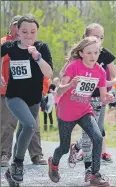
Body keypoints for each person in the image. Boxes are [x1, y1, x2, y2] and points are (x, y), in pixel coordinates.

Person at [48, 36, 113, 187]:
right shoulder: (73, 66)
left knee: (97, 138)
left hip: (84, 111)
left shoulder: (100, 72)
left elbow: (103, 98)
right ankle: (54, 163)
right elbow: (58, 91)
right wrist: (71, 84)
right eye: (89, 53)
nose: (93, 56)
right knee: (64, 147)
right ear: (82, 53)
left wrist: (108, 98)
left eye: (96, 53)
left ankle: (94, 175)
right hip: (66, 113)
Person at [1, 13, 53, 185]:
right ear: (18, 31)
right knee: (30, 125)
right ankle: (17, 164)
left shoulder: (42, 47)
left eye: (32, 32)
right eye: (24, 32)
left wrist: (37, 57)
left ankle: (11, 173)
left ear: (37, 32)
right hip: (14, 96)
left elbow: (49, 73)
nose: (28, 36)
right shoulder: (9, 46)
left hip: (34, 99)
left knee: (24, 129)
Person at [61, 23, 116, 171]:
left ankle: (77, 146)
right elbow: (63, 74)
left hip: (100, 97)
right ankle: (90, 169)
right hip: (81, 99)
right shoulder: (79, 55)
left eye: (101, 37)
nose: (98, 40)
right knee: (90, 132)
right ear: (85, 38)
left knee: (97, 132)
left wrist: (105, 82)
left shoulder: (105, 54)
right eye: (95, 36)